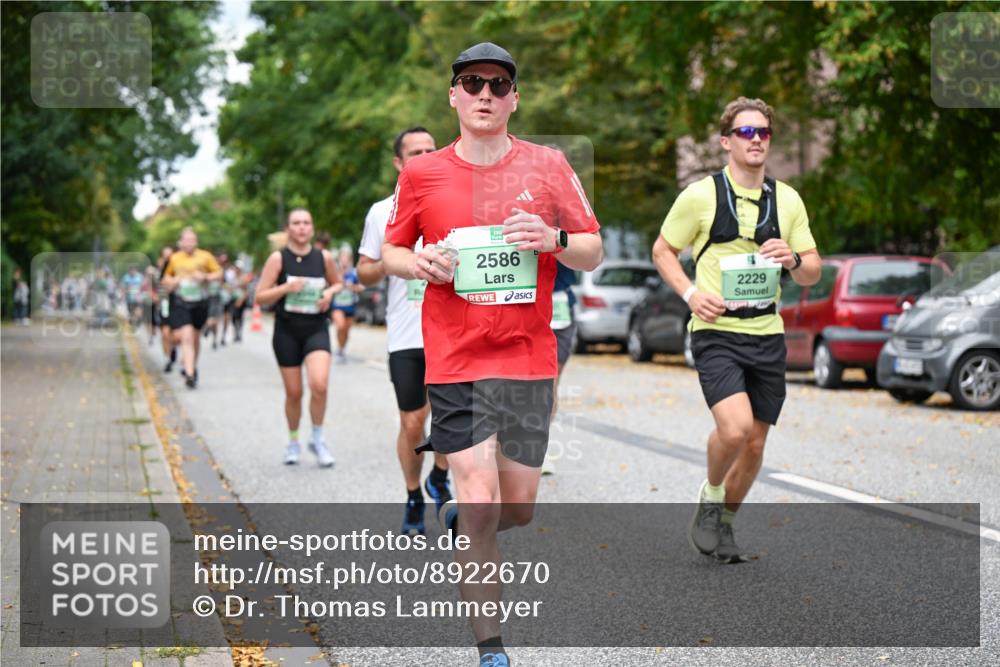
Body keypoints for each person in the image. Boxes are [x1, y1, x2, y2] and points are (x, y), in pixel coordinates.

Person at [382, 42, 603, 667]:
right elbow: (393, 253)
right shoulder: (421, 175)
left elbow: (592, 249)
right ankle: (492, 651)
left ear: (514, 98)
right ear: (453, 94)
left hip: (529, 358)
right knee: (480, 501)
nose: (485, 94)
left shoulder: (550, 165)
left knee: (519, 509)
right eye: (472, 83)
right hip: (455, 359)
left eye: (498, 85)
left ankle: (469, 525)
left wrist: (556, 238)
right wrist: (418, 261)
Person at [651, 97, 821, 563]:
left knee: (756, 443)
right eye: (746, 132)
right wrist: (690, 295)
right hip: (715, 331)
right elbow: (663, 250)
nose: (757, 140)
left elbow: (812, 271)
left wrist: (795, 260)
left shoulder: (787, 200)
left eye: (763, 132)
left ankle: (724, 522)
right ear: (726, 142)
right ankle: (710, 496)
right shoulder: (701, 195)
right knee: (735, 429)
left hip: (767, 333)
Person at [358, 126, 453, 536]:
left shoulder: (455, 204)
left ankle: (441, 478)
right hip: (407, 335)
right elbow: (363, 273)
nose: (425, 155)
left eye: (432, 149)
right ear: (399, 163)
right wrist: (391, 261)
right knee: (414, 422)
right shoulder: (382, 211)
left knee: (453, 420)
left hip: (452, 333)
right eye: (416, 152)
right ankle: (415, 493)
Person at [255, 209, 341, 468]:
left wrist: (329, 295)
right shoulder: (278, 259)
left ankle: (317, 437)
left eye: (306, 223)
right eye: (296, 223)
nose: (302, 227)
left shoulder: (323, 257)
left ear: (312, 228)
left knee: (320, 385)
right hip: (287, 331)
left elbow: (337, 284)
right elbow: (260, 296)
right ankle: (293, 442)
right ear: (288, 229)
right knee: (294, 393)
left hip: (316, 328)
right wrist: (285, 288)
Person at [161, 228, 223, 388]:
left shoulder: (205, 256)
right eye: (186, 240)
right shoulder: (174, 258)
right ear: (181, 242)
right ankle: (188, 372)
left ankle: (192, 367)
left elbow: (219, 273)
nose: (189, 243)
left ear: (196, 242)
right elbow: (165, 277)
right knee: (186, 336)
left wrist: (205, 277)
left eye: (192, 240)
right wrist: (172, 281)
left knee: (195, 337)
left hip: (200, 301)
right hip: (182, 301)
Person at [330, 244, 363, 363]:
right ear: (339, 258)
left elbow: (361, 287)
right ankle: (339, 347)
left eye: (346, 258)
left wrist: (353, 287)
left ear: (349, 259)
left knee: (346, 331)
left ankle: (341, 349)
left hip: (350, 305)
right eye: (342, 257)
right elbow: (328, 284)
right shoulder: (334, 271)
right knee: (340, 325)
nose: (344, 260)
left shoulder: (353, 273)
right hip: (337, 305)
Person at [154, 246, 178, 371]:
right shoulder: (158, 273)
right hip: (164, 304)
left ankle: (173, 348)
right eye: (166, 256)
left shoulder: (178, 271)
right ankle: (167, 359)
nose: (168, 259)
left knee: (175, 334)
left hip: (177, 304)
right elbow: (153, 289)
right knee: (164, 332)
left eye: (170, 256)